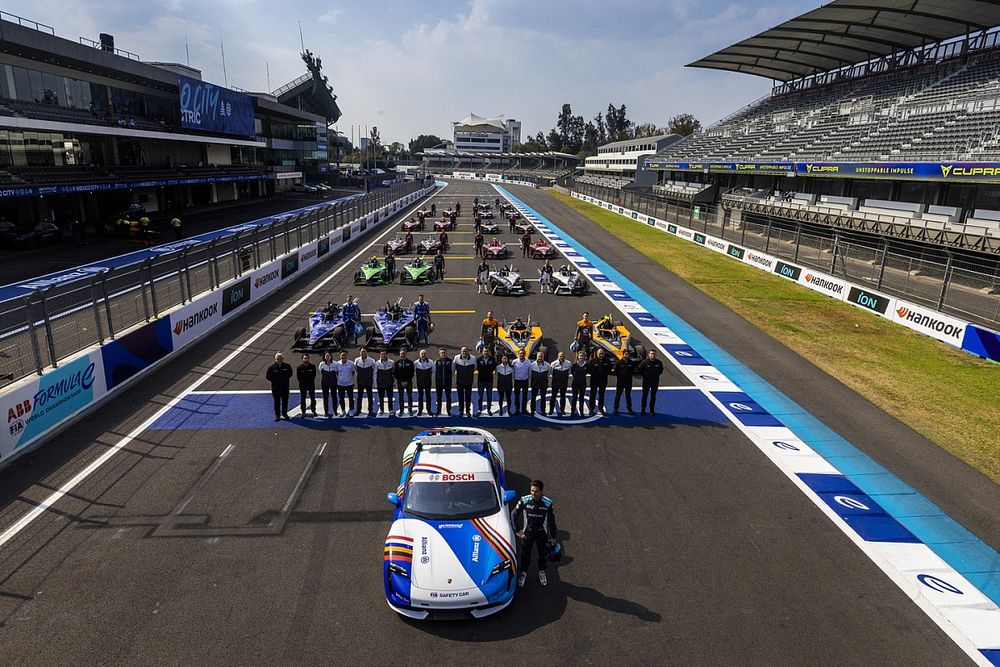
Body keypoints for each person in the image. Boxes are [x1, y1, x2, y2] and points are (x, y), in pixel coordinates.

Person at [513, 480, 558, 587]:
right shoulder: (524, 500)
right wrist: (517, 530)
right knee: (525, 555)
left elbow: (551, 521)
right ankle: (523, 573)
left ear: (541, 491)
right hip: (527, 534)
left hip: (541, 534)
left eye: (536, 491)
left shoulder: (548, 503)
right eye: (532, 491)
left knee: (542, 555)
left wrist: (553, 536)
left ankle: (542, 571)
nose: (533, 493)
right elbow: (514, 514)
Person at [265, 352, 293, 421]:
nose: (279, 360)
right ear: (275, 359)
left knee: (285, 401)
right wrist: (275, 381)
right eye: (278, 359)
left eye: (281, 358)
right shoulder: (271, 368)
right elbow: (268, 376)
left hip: (285, 387)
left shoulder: (287, 366)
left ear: (283, 359)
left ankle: (284, 414)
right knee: (276, 402)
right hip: (276, 388)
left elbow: (290, 373)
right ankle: (277, 415)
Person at [638, 349, 664, 416]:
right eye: (652, 353)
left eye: (654, 354)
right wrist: (645, 376)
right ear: (649, 354)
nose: (653, 355)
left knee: (653, 396)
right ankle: (643, 409)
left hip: (655, 382)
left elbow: (661, 370)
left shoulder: (659, 363)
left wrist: (656, 376)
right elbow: (640, 370)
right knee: (644, 396)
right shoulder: (645, 362)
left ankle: (652, 410)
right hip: (646, 382)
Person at [453, 346, 476, 418]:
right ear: (460, 352)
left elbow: (475, 368)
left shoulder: (473, 358)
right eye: (463, 351)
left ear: (468, 352)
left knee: (468, 397)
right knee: (460, 397)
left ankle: (467, 411)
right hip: (459, 382)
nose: (464, 353)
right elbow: (453, 368)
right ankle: (461, 411)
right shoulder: (456, 358)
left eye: (465, 351)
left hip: (469, 381)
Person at [589, 348, 613, 415]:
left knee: (601, 395)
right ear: (597, 354)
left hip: (603, 381)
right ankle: (591, 409)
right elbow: (589, 370)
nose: (601, 355)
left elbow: (610, 369)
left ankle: (600, 408)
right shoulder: (592, 361)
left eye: (602, 354)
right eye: (600, 353)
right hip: (594, 381)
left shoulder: (607, 361)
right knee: (592, 395)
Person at [333, 350, 356, 416]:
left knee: (351, 398)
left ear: (347, 355)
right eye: (342, 355)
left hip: (349, 384)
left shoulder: (351, 363)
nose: (343, 356)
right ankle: (343, 410)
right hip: (340, 384)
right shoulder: (337, 364)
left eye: (345, 355)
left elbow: (353, 372)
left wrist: (348, 378)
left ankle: (351, 410)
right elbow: (336, 372)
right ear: (340, 356)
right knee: (341, 398)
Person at [355, 347, 376, 417]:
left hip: (368, 382)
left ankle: (370, 410)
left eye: (364, 351)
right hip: (360, 381)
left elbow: (373, 370)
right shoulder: (357, 360)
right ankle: (358, 410)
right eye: (362, 352)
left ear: (367, 352)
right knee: (359, 396)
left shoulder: (371, 361)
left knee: (370, 396)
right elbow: (355, 370)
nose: (363, 353)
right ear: (360, 353)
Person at [394, 348, 415, 416]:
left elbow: (412, 373)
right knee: (401, 397)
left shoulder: (410, 362)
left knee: (409, 396)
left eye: (404, 354)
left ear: (406, 354)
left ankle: (410, 409)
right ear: (400, 354)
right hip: (400, 383)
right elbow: (395, 373)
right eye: (401, 354)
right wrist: (401, 381)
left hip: (408, 382)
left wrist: (406, 381)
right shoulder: (397, 363)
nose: (402, 355)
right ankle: (401, 410)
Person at [548, 351, 571, 416]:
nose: (562, 357)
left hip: (564, 383)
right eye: (560, 356)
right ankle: (551, 409)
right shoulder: (553, 364)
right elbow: (550, 373)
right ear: (558, 357)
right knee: (553, 397)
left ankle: (562, 410)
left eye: (563, 356)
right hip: (555, 383)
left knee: (563, 397)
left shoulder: (568, 363)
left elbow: (569, 372)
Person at [529, 352, 550, 416]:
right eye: (539, 356)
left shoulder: (548, 365)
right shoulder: (532, 365)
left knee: (543, 398)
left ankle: (543, 410)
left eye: (541, 356)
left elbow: (549, 374)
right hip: (535, 384)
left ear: (543, 357)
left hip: (543, 384)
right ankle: (532, 410)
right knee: (533, 397)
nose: (540, 358)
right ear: (536, 357)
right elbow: (530, 374)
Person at [476, 348, 496, 416]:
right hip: (481, 380)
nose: (486, 352)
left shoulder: (492, 359)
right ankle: (479, 409)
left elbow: (493, 368)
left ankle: (489, 409)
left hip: (489, 380)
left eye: (487, 351)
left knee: (489, 396)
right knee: (480, 397)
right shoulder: (479, 359)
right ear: (482, 352)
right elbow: (478, 368)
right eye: (484, 351)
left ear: (489, 352)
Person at [434, 348, 453, 416]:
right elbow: (434, 371)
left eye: (444, 353)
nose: (443, 354)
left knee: (448, 398)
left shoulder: (450, 361)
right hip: (439, 383)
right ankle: (438, 410)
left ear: (446, 353)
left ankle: (448, 411)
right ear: (439, 354)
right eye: (442, 353)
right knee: (439, 398)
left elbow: (453, 371)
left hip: (448, 383)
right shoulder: (436, 362)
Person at [375, 350, 395, 416]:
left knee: (390, 397)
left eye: (384, 354)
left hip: (389, 383)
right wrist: (375, 384)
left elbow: (394, 373)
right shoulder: (377, 363)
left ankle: (391, 409)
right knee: (381, 397)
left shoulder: (391, 362)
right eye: (381, 354)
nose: (383, 356)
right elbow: (375, 374)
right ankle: (381, 409)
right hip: (380, 384)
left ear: (387, 355)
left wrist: (394, 382)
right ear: (380, 355)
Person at [414, 349, 434, 416]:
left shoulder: (431, 362)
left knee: (428, 396)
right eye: (422, 354)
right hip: (420, 383)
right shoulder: (416, 363)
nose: (423, 355)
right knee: (420, 397)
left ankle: (429, 410)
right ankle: (420, 410)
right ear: (419, 355)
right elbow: (414, 372)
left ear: (426, 355)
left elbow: (433, 371)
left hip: (428, 383)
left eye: (424, 354)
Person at [512, 349, 531, 415]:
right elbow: (512, 371)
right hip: (517, 381)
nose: (521, 355)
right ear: (518, 354)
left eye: (523, 353)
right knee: (517, 396)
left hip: (525, 381)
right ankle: (517, 410)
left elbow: (530, 371)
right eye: (520, 353)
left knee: (525, 396)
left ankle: (524, 409)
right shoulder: (514, 362)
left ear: (525, 354)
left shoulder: (528, 362)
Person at [570, 351, 589, 415]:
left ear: (584, 357)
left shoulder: (587, 365)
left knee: (581, 397)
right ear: (578, 356)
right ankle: (573, 411)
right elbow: (572, 372)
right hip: (575, 383)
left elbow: (587, 372)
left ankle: (581, 411)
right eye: (580, 356)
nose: (581, 357)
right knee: (574, 397)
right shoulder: (574, 365)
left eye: (582, 356)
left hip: (583, 383)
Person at [319, 351, 337, 417]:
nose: (327, 357)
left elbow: (337, 372)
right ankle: (326, 411)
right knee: (325, 398)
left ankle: (335, 410)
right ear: (324, 357)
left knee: (334, 397)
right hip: (325, 383)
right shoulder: (321, 364)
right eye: (326, 356)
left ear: (331, 356)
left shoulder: (335, 364)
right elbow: (320, 371)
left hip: (333, 383)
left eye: (328, 356)